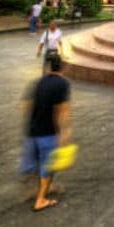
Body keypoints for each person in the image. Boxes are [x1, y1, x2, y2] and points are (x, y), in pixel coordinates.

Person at [20, 53, 71, 211]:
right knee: (48, 167)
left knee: (38, 164)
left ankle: (42, 188)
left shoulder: (38, 82)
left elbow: (24, 106)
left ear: (48, 67)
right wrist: (65, 132)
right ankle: (41, 199)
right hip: (48, 132)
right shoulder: (63, 83)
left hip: (32, 131)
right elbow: (63, 110)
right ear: (62, 67)